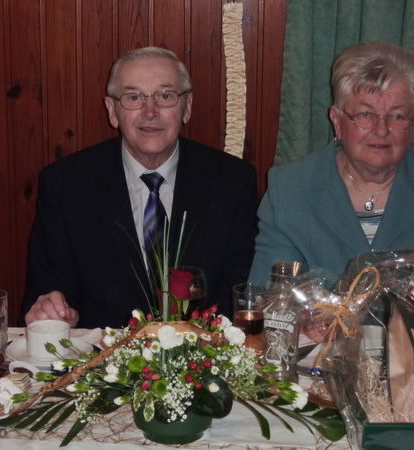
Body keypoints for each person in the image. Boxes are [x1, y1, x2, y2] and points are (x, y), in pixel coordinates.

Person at [21, 47, 258, 328]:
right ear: (112, 110)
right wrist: (55, 312)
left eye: (165, 96)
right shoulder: (66, 185)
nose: (150, 111)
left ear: (187, 106)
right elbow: (49, 292)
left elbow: (238, 293)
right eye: (134, 97)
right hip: (100, 360)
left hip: (203, 359)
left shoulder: (232, 182)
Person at [249, 41, 414, 285]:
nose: (381, 130)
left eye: (397, 116)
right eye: (365, 114)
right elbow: (269, 299)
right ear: (337, 121)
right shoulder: (288, 189)